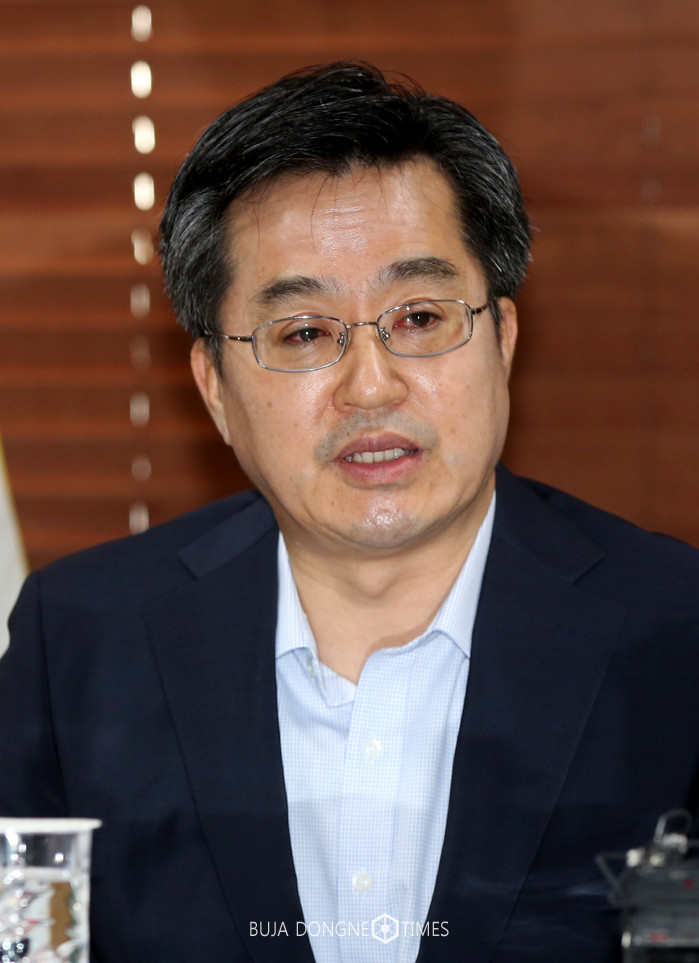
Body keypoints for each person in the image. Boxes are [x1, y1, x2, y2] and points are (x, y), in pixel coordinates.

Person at [1, 61, 698, 963]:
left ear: (502, 339)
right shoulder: (81, 643)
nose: (371, 386)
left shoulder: (674, 633)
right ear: (213, 388)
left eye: (419, 317)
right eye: (303, 332)